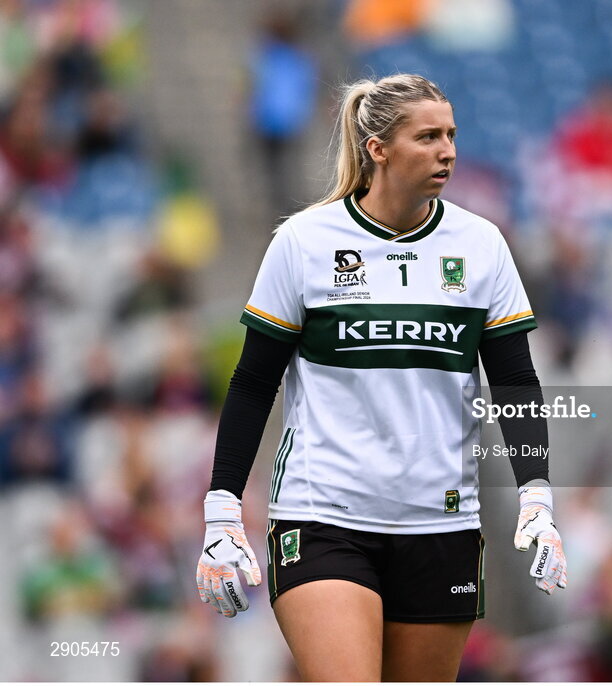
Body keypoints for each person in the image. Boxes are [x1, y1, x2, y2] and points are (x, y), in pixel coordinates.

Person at [194, 74, 567, 681]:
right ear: (377, 148)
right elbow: (252, 384)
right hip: (323, 517)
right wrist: (222, 512)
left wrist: (536, 496)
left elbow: (516, 383)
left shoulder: (482, 245)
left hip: (441, 522)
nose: (447, 149)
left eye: (451, 134)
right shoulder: (304, 242)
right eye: (427, 136)